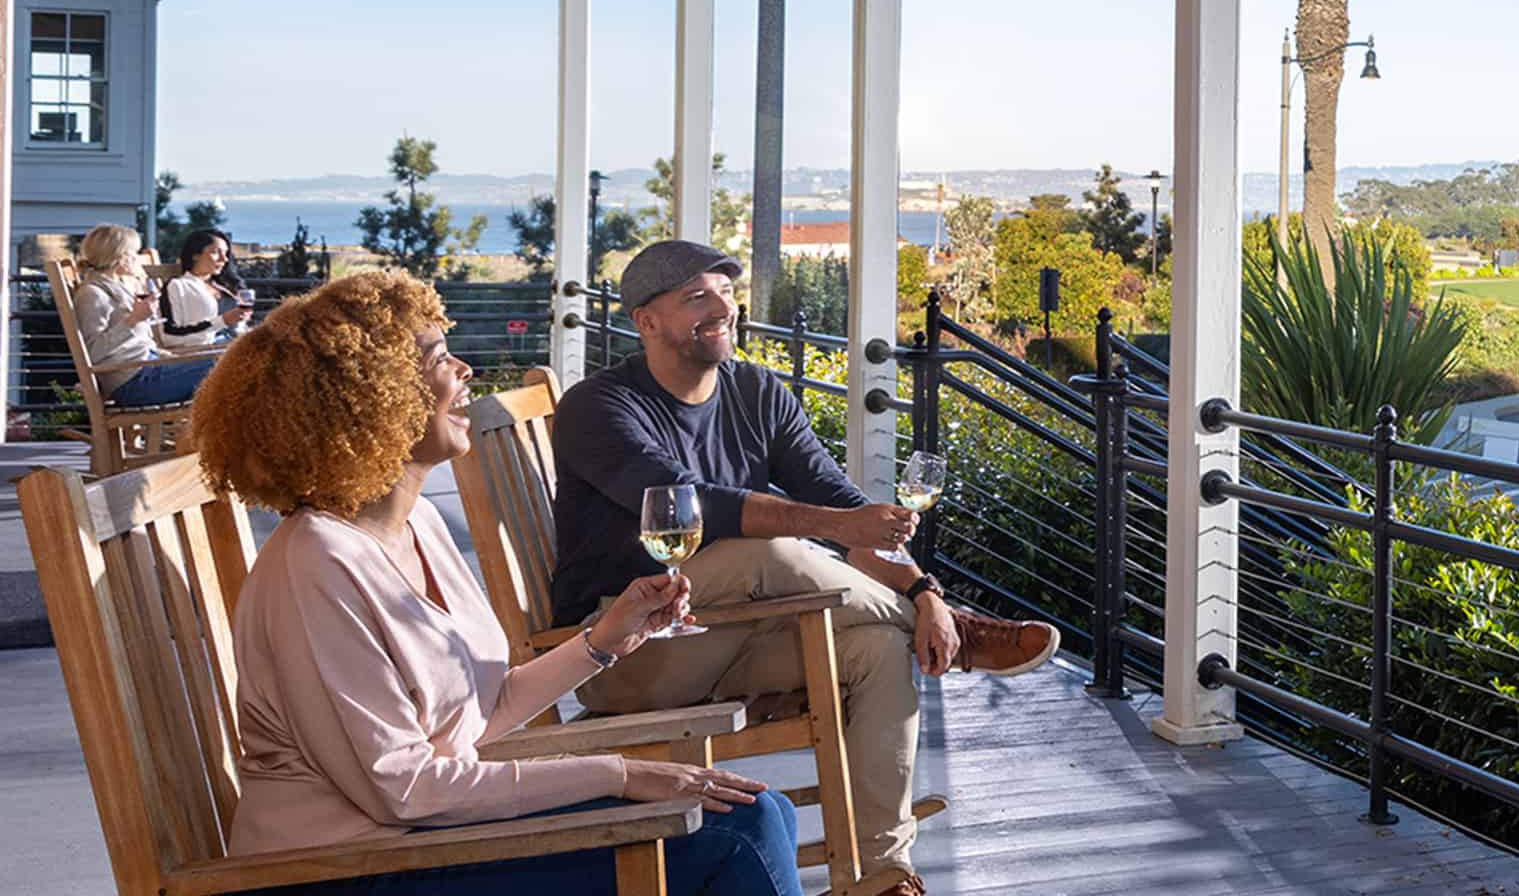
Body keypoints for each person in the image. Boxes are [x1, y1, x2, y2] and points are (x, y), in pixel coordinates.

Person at [193, 271, 803, 896]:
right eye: (436, 357)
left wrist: (602, 644)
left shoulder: (417, 521)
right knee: (738, 833)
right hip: (341, 869)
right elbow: (404, 789)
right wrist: (618, 774)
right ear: (369, 398)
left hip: (421, 840)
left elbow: (473, 716)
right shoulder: (316, 564)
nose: (464, 369)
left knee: (763, 812)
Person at [550, 240, 1063, 895]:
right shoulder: (600, 407)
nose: (722, 308)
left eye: (726, 292)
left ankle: (879, 875)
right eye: (696, 298)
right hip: (625, 651)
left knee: (877, 647)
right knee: (763, 550)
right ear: (646, 321)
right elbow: (691, 508)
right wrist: (835, 530)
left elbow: (837, 501)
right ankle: (962, 637)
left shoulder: (757, 391)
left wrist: (924, 589)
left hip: (729, 631)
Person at [70, 222, 215, 407]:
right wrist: (133, 320)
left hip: (148, 369)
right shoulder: (92, 294)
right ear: (119, 258)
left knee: (228, 361)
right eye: (134, 253)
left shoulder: (118, 288)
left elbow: (136, 344)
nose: (137, 259)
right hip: (134, 382)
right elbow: (93, 354)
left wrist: (167, 356)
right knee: (226, 366)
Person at [161, 228, 251, 348]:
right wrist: (222, 321)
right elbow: (169, 337)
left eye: (225, 253)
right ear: (195, 255)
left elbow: (239, 328)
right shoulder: (178, 286)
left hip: (233, 347)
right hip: (205, 352)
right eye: (216, 252)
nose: (224, 259)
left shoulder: (225, 286)